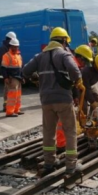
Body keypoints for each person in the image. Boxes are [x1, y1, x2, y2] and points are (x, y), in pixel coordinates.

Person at [22, 27, 82, 177]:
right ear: (63, 40)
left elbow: (25, 71)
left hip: (46, 100)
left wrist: (36, 77)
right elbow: (74, 70)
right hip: (63, 99)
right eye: (66, 42)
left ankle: (49, 163)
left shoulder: (40, 56)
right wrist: (78, 81)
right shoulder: (63, 54)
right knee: (70, 131)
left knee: (49, 132)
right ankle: (71, 165)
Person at [1, 38, 24, 117]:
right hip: (12, 78)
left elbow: (20, 68)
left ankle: (17, 110)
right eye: (14, 46)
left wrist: (22, 77)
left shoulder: (19, 56)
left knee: (18, 96)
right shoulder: (6, 56)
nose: (15, 48)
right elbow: (3, 68)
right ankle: (10, 112)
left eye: (16, 47)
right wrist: (6, 78)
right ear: (10, 46)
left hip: (18, 78)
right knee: (11, 96)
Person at [0, 31, 17, 112]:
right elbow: (3, 64)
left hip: (13, 74)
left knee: (11, 91)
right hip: (8, 74)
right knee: (7, 90)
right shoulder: (3, 49)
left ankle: (11, 106)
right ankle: (5, 106)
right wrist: (5, 76)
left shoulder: (8, 47)